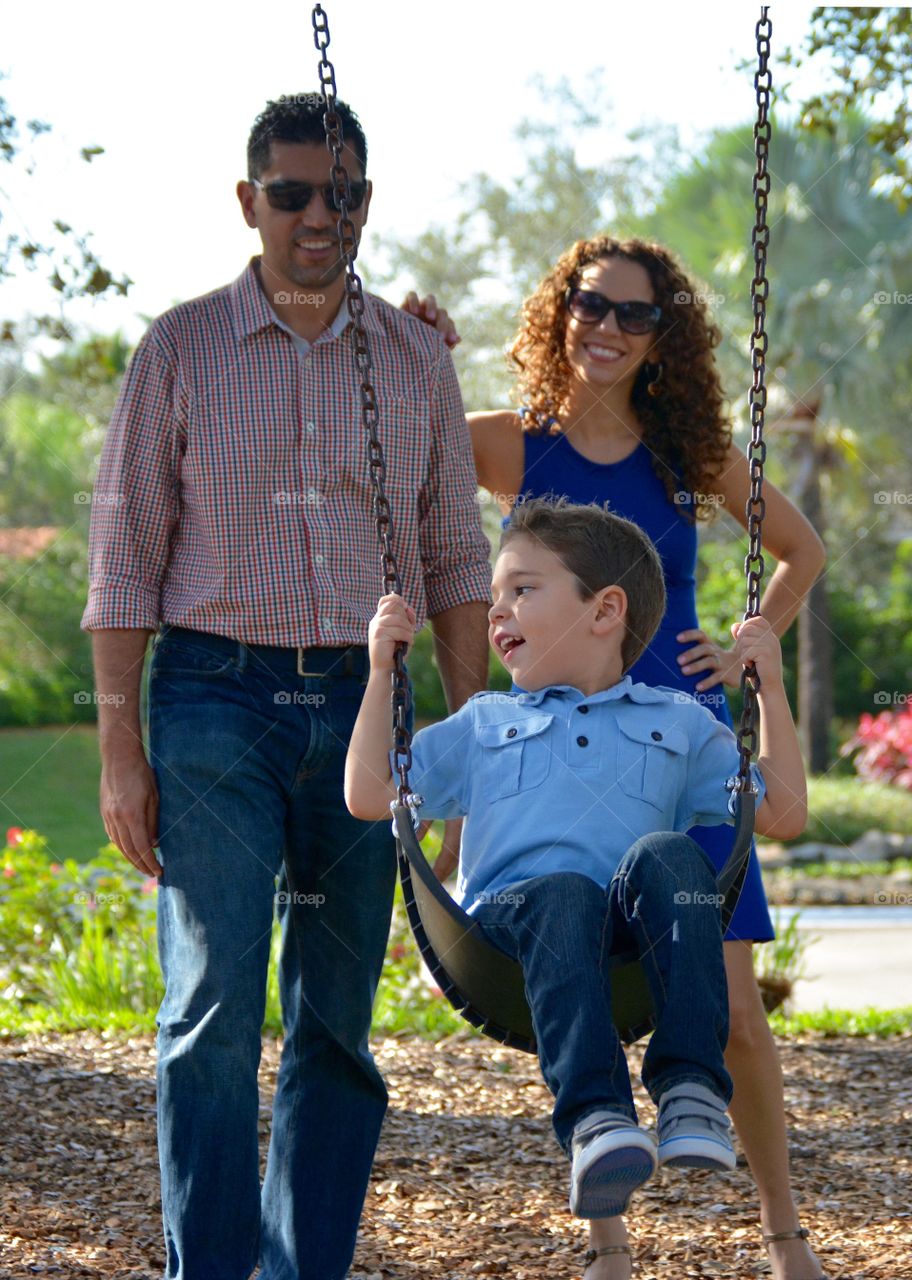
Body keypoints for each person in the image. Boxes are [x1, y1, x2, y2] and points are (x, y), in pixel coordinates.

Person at [81, 94, 492, 1280]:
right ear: (248, 199)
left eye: (346, 192)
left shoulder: (413, 357)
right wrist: (120, 748)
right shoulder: (183, 348)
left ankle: (302, 1265)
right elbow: (124, 563)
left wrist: (461, 745)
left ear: (368, 199)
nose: (322, 215)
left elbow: (457, 558)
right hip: (217, 697)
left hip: (371, 706)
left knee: (334, 1020)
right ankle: (205, 1266)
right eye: (296, 192)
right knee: (210, 1002)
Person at [405, 235, 828, 1280]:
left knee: (732, 1007)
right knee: (578, 966)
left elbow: (800, 549)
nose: (606, 327)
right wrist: (412, 356)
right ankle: (608, 1241)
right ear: (560, 312)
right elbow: (394, 471)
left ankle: (781, 1230)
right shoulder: (508, 443)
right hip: (558, 748)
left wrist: (744, 644)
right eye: (589, 305)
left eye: (633, 315)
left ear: (659, 337)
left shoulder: (687, 453)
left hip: (677, 734)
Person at [345, 499, 808, 1273]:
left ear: (606, 611)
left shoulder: (680, 722)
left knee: (672, 855)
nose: (498, 611)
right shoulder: (486, 722)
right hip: (509, 941)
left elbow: (784, 812)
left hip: (628, 944)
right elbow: (370, 794)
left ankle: (691, 1089)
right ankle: (597, 1120)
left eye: (522, 590)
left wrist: (771, 688)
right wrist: (380, 671)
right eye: (497, 595)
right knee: (562, 890)